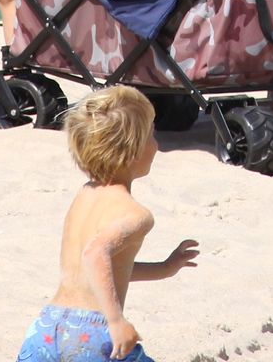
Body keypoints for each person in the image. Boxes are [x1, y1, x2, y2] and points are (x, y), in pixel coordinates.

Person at [15, 86, 200, 362]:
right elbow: (95, 254)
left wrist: (164, 268)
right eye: (151, 134)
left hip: (47, 326)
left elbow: (98, 271)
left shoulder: (84, 195)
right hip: (91, 331)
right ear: (133, 151)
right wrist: (115, 321)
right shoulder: (137, 215)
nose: (157, 145)